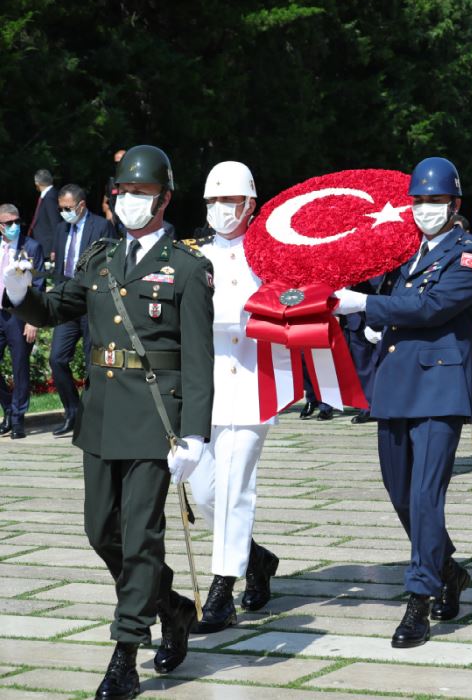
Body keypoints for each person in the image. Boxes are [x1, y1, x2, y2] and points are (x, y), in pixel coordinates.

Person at [3, 144, 214, 696]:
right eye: (124, 192)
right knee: (102, 531)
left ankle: (124, 651)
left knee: (142, 536)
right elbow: (55, 310)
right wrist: (20, 292)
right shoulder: (99, 257)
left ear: (165, 198)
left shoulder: (188, 267)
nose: (131, 202)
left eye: (143, 194)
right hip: (101, 415)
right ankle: (168, 604)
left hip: (154, 417)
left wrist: (195, 432)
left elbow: (198, 357)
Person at [347, 156, 472, 648]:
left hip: (438, 389)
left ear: (454, 204)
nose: (425, 209)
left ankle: (418, 600)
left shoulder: (471, 253)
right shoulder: (404, 252)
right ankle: (447, 568)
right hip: (395, 386)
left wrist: (366, 305)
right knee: (400, 493)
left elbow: (431, 307)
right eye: (419, 201)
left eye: (435, 201)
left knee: (428, 496)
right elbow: (388, 293)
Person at [184, 161, 282, 634]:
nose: (220, 210)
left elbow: (293, 304)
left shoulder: (270, 254)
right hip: (204, 391)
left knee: (234, 488)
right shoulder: (191, 255)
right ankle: (256, 558)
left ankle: (221, 592)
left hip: (249, 383)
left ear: (250, 203)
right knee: (204, 491)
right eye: (212, 202)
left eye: (229, 201)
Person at [49, 184, 117, 437]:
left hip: (92, 302)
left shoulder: (101, 226)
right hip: (67, 302)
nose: (64, 213)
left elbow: (110, 261)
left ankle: (93, 416)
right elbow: (58, 266)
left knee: (93, 362)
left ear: (80, 205)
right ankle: (72, 411)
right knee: (57, 359)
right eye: (61, 209)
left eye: (68, 208)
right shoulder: (60, 228)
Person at [0, 204, 45, 439]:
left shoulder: (31, 247)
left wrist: (33, 320)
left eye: (17, 222)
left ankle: (18, 420)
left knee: (20, 368)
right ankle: (8, 409)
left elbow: (38, 286)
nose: (14, 227)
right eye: (8, 223)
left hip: (19, 315)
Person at [29, 168, 62, 258]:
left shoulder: (49, 197)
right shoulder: (50, 195)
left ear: (37, 183)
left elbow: (55, 224)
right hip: (44, 245)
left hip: (47, 248)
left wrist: (54, 248)